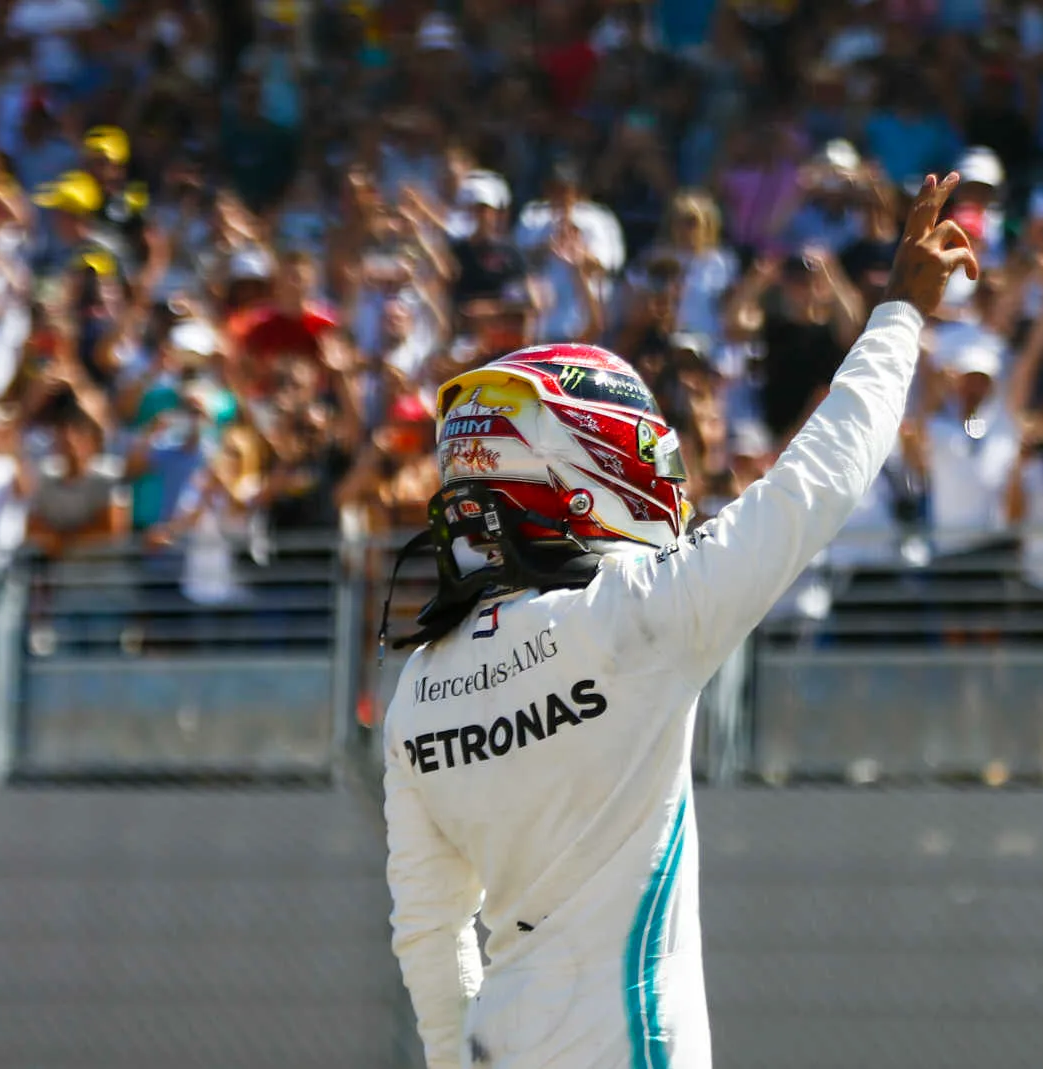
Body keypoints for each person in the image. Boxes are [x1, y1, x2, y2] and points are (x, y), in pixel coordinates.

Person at [380, 174, 978, 1069]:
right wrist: (898, 311)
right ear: (586, 465)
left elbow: (430, 940)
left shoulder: (416, 692)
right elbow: (818, 481)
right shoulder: (638, 615)